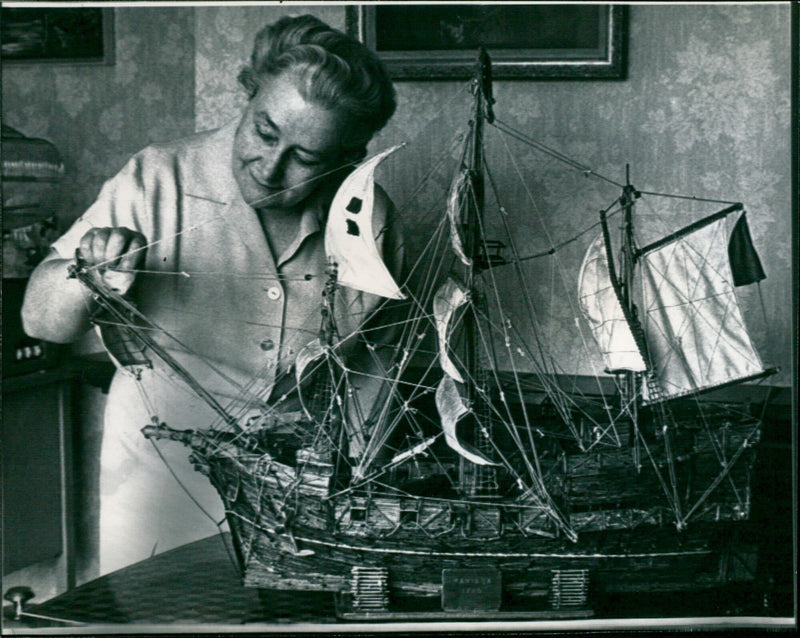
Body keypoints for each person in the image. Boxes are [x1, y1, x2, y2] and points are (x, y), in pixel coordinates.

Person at [22, 14, 401, 576]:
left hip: (301, 492)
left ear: (348, 155)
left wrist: (355, 481)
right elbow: (40, 323)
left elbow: (375, 362)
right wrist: (89, 270)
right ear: (247, 92)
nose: (272, 169)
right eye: (265, 132)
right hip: (161, 484)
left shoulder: (367, 217)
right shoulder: (157, 177)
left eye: (307, 158)